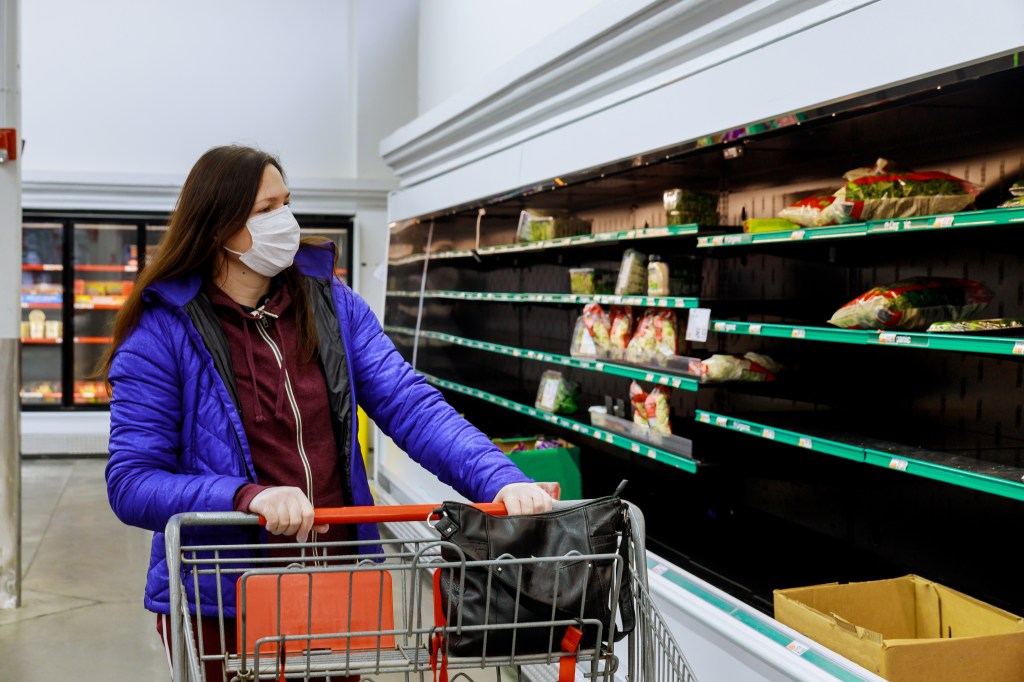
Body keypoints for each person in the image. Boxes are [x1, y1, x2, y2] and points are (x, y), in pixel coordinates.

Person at [101, 145, 553, 678]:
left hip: (338, 579)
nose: (285, 221)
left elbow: (409, 403)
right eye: (267, 209)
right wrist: (248, 496)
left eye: (287, 203)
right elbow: (131, 482)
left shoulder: (330, 304)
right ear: (220, 226)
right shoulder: (162, 331)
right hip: (225, 598)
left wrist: (498, 478)